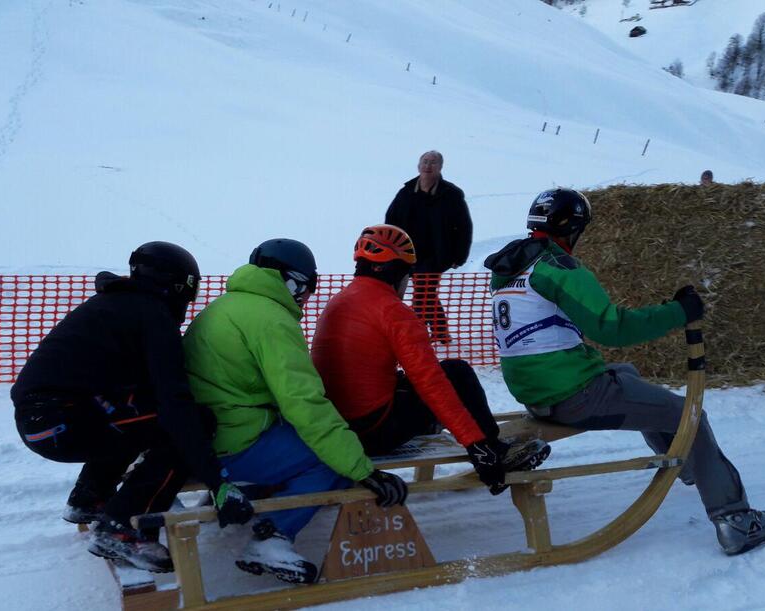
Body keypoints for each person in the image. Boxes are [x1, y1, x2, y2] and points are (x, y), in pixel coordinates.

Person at [483, 188, 765, 555]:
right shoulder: (558, 268)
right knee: (688, 414)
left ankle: (685, 461)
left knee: (625, 373)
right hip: (573, 395)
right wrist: (679, 312)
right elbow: (612, 328)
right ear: (572, 229)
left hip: (539, 393)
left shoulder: (512, 269)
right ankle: (735, 520)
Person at [11, 242, 254, 573]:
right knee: (190, 424)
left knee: (136, 418)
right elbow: (175, 407)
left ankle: (89, 499)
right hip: (62, 419)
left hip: (40, 419)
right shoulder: (152, 315)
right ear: (178, 286)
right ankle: (125, 526)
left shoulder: (118, 305)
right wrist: (218, 482)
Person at [183, 238, 408, 585]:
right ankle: (272, 538)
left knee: (307, 443)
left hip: (206, 434)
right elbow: (304, 402)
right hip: (233, 440)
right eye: (307, 288)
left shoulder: (227, 305)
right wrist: (362, 468)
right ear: (292, 282)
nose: (306, 298)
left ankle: (249, 489)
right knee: (330, 461)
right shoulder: (272, 320)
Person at [312, 224, 550, 494]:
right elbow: (431, 382)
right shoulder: (392, 311)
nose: (409, 283)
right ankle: (494, 451)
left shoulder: (338, 302)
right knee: (455, 372)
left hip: (339, 429)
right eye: (408, 275)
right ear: (396, 271)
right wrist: (476, 446)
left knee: (414, 382)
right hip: (372, 434)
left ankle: (444, 427)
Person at [385, 150, 473, 344]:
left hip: (437, 255)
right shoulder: (406, 192)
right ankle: (440, 332)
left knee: (423, 291)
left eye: (433, 162)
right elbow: (391, 220)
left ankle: (417, 333)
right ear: (418, 165)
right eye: (424, 161)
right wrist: (389, 247)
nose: (427, 165)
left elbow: (464, 228)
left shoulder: (451, 194)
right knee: (426, 293)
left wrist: (460, 256)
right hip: (406, 253)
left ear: (440, 167)